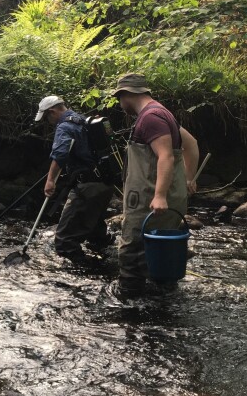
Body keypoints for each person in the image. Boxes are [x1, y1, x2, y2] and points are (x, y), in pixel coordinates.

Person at [111, 73, 198, 296]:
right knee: (160, 250)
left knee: (131, 252)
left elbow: (166, 157)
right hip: (171, 197)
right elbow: (192, 144)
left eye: (119, 99)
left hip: (149, 199)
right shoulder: (163, 113)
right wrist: (189, 178)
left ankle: (129, 303)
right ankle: (164, 300)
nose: (120, 105)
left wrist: (159, 195)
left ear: (126, 94)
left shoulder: (149, 118)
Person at [35, 95, 116, 261]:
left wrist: (50, 180)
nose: (47, 121)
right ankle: (110, 264)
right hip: (105, 185)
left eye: (46, 117)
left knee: (64, 241)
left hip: (87, 188)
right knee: (96, 235)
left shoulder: (64, 127)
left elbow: (60, 154)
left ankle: (85, 274)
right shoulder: (83, 119)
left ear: (52, 111)